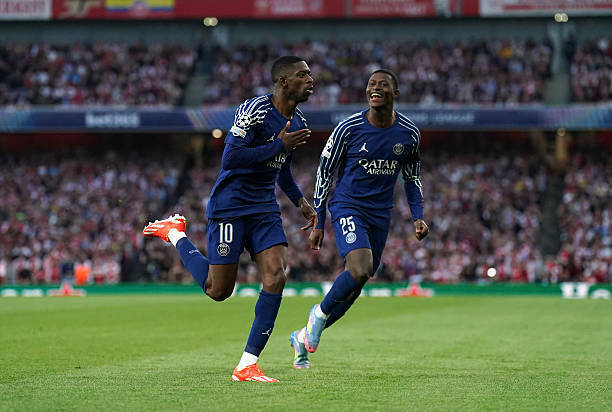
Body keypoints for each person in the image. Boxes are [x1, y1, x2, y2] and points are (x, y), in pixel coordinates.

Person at [143, 56, 316, 382]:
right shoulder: (254, 110)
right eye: (303, 75)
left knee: (276, 276)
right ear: (283, 81)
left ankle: (247, 364)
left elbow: (282, 169)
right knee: (218, 290)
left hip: (264, 208)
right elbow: (231, 157)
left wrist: (301, 202)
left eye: (310, 75)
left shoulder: (299, 120)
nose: (311, 80)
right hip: (231, 205)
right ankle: (175, 234)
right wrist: (278, 144)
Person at [289, 69, 429, 369]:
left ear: (395, 93)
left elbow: (412, 178)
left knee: (356, 286)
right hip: (348, 206)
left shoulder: (409, 133)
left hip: (380, 214)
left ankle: (301, 336)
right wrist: (319, 219)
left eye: (383, 84)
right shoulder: (348, 128)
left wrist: (418, 216)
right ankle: (318, 314)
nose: (374, 88)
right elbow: (325, 172)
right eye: (371, 84)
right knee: (359, 268)